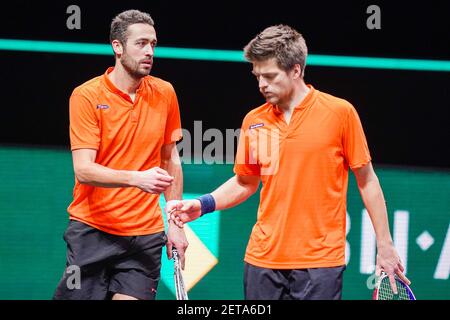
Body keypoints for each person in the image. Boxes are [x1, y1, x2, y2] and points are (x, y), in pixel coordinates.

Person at [167, 24, 409, 300]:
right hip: (262, 261)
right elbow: (245, 182)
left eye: (270, 76)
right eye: (257, 76)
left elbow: (367, 181)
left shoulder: (340, 113)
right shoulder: (254, 121)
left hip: (320, 263)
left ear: (296, 70)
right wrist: (203, 204)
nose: (261, 84)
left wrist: (385, 244)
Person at [53, 9, 188, 300]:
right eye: (141, 43)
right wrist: (137, 179)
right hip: (92, 231)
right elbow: (84, 170)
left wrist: (176, 225)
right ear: (117, 47)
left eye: (153, 44)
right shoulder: (86, 96)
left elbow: (170, 159)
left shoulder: (165, 93)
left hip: (145, 236)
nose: (150, 51)